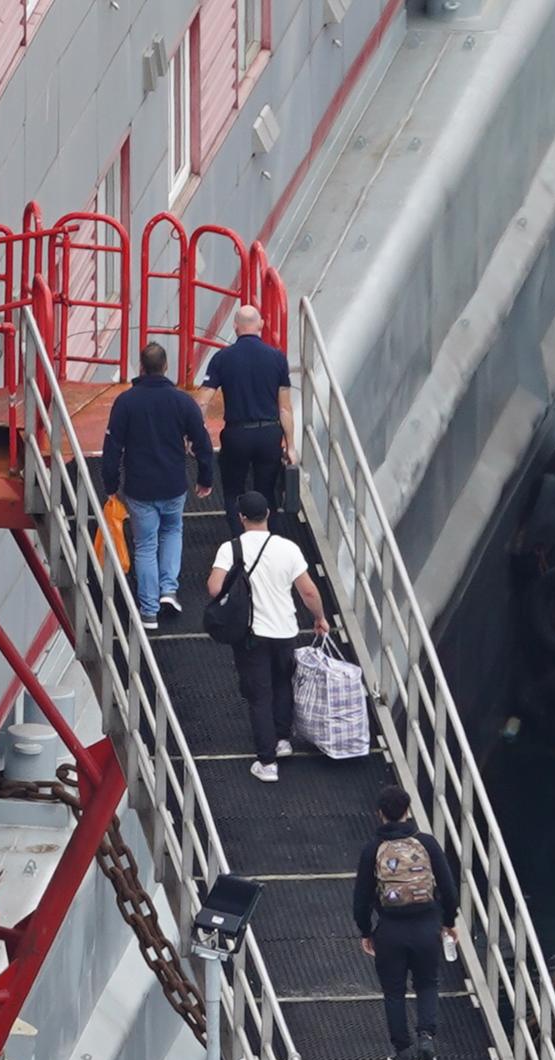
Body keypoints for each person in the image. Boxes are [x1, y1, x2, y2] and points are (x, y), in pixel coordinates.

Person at [205, 491, 328, 782]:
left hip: (251, 633)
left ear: (241, 518)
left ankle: (267, 761)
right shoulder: (288, 548)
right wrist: (319, 618)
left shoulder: (231, 548)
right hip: (285, 630)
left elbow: (213, 587)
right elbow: (308, 591)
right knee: (282, 682)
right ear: (268, 514)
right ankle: (282, 740)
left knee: (259, 695)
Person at [102, 342, 216, 630]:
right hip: (174, 484)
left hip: (140, 488)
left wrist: (110, 484)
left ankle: (149, 611)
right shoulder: (182, 402)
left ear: (141, 367)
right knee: (172, 531)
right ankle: (169, 590)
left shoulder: (125, 403)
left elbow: (112, 446)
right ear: (166, 367)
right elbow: (202, 442)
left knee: (144, 545)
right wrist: (205, 478)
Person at [352, 785, 459, 1060]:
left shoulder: (372, 849)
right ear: (408, 811)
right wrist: (448, 922)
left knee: (394, 991)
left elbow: (361, 898)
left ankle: (402, 1052)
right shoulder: (427, 843)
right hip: (427, 927)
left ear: (380, 814)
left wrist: (365, 931)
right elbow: (448, 888)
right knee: (427, 984)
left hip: (390, 930)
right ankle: (426, 1038)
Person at [201, 306, 294, 510]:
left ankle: (238, 538)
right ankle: (267, 537)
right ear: (260, 324)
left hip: (237, 434)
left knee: (233, 493)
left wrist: (196, 433)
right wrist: (291, 445)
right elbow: (285, 408)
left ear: (235, 326)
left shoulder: (222, 358)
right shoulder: (277, 358)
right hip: (269, 434)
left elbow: (203, 400)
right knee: (268, 494)